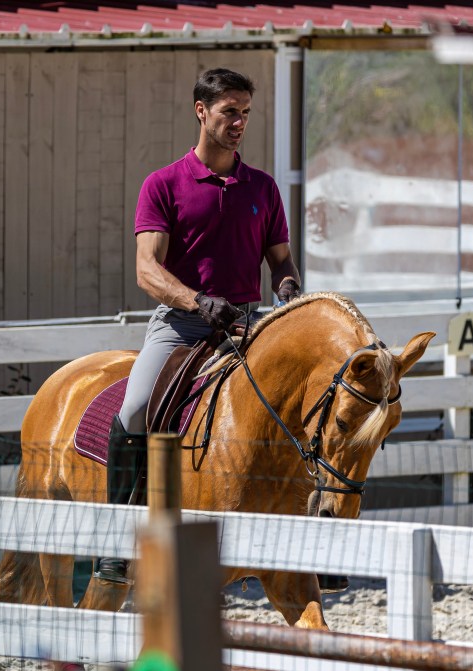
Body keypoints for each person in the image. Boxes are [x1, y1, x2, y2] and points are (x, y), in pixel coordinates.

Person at [95, 67, 302, 584]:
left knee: (305, 403)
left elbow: (281, 261)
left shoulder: (263, 188)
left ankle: (314, 537)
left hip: (246, 325)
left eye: (246, 112)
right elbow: (147, 270)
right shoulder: (163, 185)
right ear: (201, 111)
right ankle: (116, 541)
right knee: (138, 407)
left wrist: (289, 289)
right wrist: (197, 301)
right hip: (182, 326)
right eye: (230, 110)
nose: (239, 122)